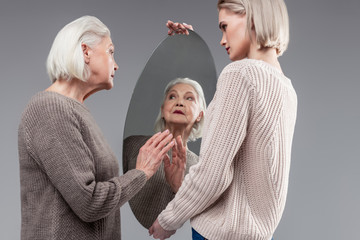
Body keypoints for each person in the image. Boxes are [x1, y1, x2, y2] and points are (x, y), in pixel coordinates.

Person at [149, 0, 297, 239]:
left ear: (252, 18)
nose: (222, 39)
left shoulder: (239, 75)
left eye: (224, 26)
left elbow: (214, 174)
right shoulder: (286, 89)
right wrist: (193, 48)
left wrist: (169, 219)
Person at [17, 15, 175, 240]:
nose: (117, 64)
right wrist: (141, 173)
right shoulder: (50, 109)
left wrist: (179, 44)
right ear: (85, 51)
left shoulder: (75, 111)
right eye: (111, 52)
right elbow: (89, 202)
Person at [123, 77, 206, 228]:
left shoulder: (201, 168)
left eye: (189, 98)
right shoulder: (132, 145)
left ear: (199, 115)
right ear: (162, 110)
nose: (179, 102)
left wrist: (178, 188)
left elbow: (201, 224)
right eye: (172, 96)